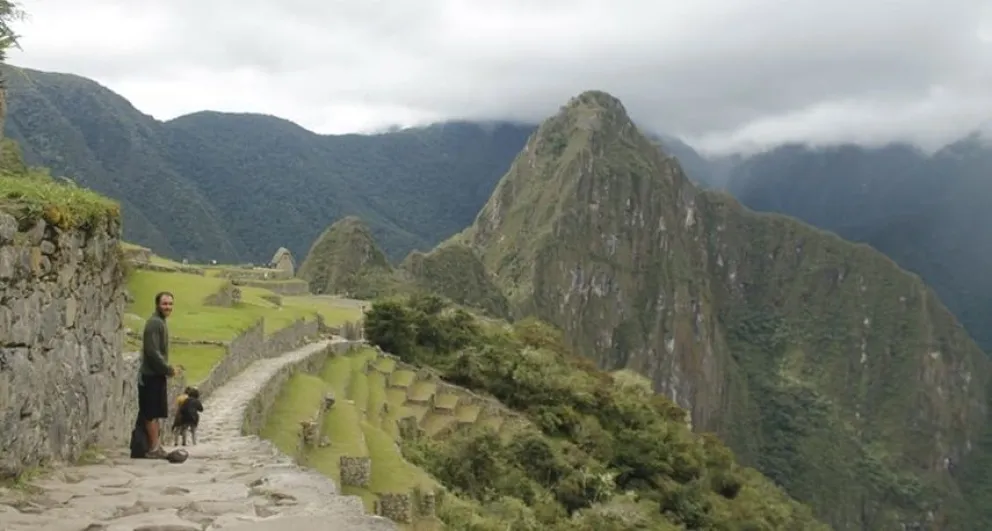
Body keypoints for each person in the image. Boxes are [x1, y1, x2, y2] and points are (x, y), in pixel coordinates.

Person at [139, 291, 178, 458]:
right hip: (151, 375)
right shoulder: (155, 323)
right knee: (151, 413)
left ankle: (156, 446)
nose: (168, 307)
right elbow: (152, 352)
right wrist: (167, 369)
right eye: (165, 304)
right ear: (157, 305)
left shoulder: (159, 322)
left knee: (154, 412)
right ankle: (154, 448)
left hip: (155, 374)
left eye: (170, 304)